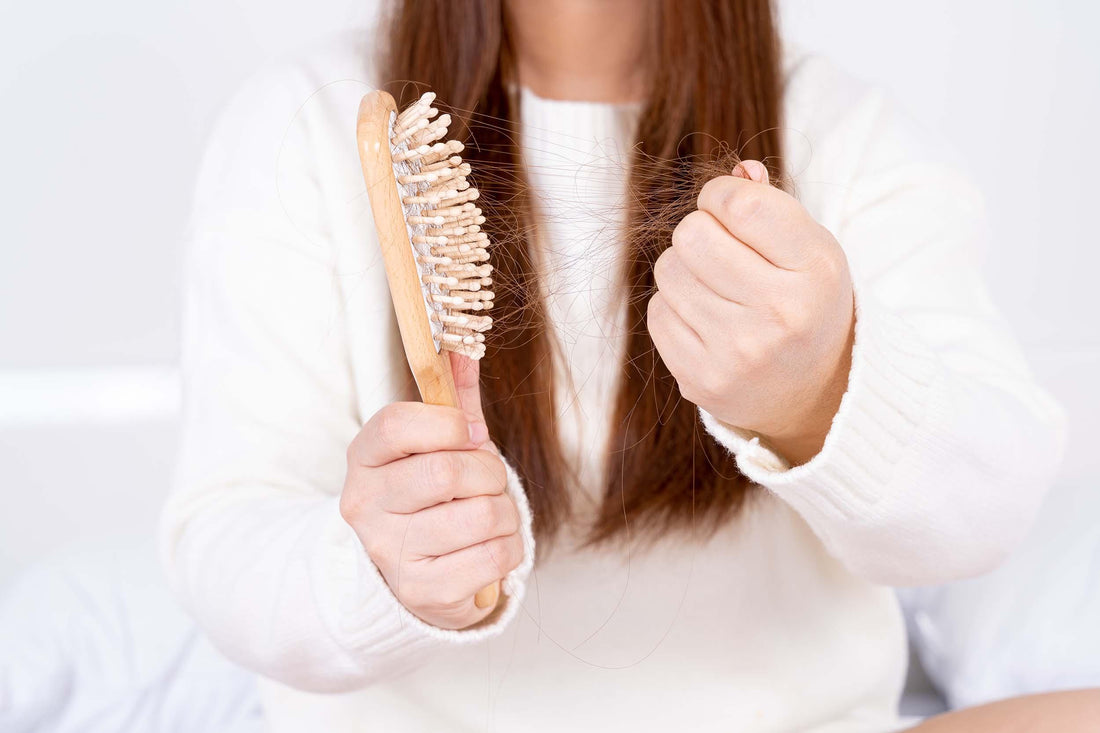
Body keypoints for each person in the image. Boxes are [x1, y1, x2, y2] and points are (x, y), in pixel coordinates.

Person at [161, 0, 1096, 730]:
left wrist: (822, 389)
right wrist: (369, 570)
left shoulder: (849, 137)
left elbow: (986, 506)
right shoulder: (303, 122)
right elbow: (226, 531)